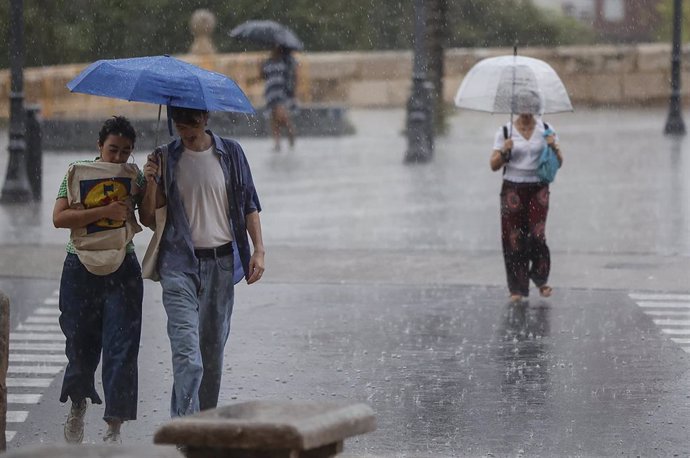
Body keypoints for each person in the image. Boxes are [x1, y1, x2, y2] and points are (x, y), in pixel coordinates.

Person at [140, 106, 265, 418]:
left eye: (192, 122)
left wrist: (259, 249)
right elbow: (147, 218)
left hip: (222, 265)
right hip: (179, 265)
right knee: (188, 356)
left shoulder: (231, 153)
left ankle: (204, 425)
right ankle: (183, 426)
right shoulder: (165, 157)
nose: (186, 130)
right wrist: (151, 179)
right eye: (179, 124)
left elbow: (249, 203)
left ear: (206, 117)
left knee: (211, 357)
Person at [53, 116, 150, 444]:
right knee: (79, 343)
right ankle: (78, 403)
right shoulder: (77, 171)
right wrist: (104, 213)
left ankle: (114, 426)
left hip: (123, 265)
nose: (119, 157)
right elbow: (59, 218)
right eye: (113, 150)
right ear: (99, 146)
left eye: (126, 151)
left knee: (123, 345)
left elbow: (149, 219)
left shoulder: (133, 176)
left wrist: (150, 184)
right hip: (80, 265)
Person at [489, 89, 564, 303]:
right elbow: (493, 165)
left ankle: (540, 278)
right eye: (522, 107)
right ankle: (517, 288)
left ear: (536, 107)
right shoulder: (505, 131)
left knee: (536, 234)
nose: (526, 112)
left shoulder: (547, 129)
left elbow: (559, 162)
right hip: (513, 188)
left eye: (530, 107)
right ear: (516, 108)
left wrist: (554, 147)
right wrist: (505, 151)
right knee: (514, 238)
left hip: (538, 187)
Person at [261, 45, 297, 152]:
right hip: (271, 93)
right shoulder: (268, 62)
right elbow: (264, 76)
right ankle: (277, 143)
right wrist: (259, 67)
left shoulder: (286, 61)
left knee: (284, 118)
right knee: (274, 120)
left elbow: (292, 76)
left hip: (281, 93)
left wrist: (292, 91)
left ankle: (291, 139)